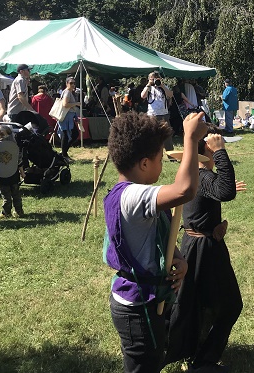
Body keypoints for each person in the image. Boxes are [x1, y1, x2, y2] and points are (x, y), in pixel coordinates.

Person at [103, 111, 207, 373]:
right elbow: (185, 189)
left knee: (151, 361)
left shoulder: (135, 194)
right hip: (136, 308)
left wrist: (178, 259)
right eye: (161, 159)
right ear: (145, 164)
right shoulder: (132, 197)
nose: (163, 165)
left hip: (145, 301)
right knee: (143, 367)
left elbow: (156, 237)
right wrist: (191, 139)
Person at [166, 124, 243, 373]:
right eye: (213, 151)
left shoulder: (194, 174)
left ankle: (194, 351)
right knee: (230, 304)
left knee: (198, 302)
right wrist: (220, 152)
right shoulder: (202, 175)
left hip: (198, 244)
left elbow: (219, 192)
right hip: (203, 250)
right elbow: (226, 191)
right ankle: (203, 360)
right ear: (207, 152)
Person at [0, 125, 24, 219]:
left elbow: (18, 161)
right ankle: (18, 212)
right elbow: (19, 161)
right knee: (14, 194)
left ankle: (7, 213)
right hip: (11, 174)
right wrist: (22, 173)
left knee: (8, 196)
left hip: (5, 174)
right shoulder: (14, 148)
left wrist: (22, 173)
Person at [141, 71, 176, 152]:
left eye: (156, 78)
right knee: (152, 135)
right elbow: (142, 96)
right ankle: (153, 154)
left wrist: (162, 85)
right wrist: (149, 84)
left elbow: (170, 95)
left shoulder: (163, 87)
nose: (154, 81)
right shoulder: (148, 88)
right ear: (149, 79)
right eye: (152, 79)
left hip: (164, 114)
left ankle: (171, 154)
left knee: (167, 135)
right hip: (152, 114)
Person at [57, 77, 80, 163]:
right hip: (65, 117)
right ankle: (64, 155)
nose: (73, 85)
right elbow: (65, 104)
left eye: (74, 83)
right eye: (71, 83)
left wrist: (76, 118)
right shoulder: (67, 92)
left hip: (69, 117)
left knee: (74, 134)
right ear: (67, 84)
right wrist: (76, 103)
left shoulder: (70, 92)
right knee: (66, 136)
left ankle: (64, 153)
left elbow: (71, 108)